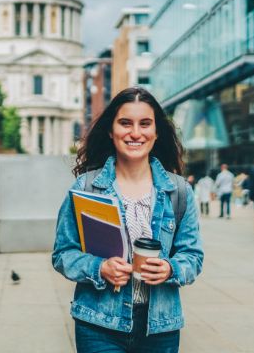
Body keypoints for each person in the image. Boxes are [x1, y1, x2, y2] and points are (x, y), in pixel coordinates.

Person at [52, 87, 204, 352]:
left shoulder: (179, 191)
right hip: (99, 324)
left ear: (156, 132)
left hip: (160, 327)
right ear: (111, 131)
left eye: (145, 124)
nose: (135, 133)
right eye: (125, 123)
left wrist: (170, 269)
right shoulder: (86, 187)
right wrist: (100, 268)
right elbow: (63, 253)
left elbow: (193, 256)